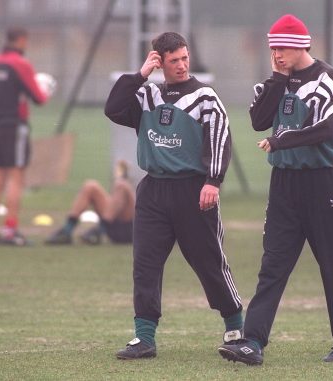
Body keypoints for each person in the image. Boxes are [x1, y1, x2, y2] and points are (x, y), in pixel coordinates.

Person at [218, 14, 333, 366]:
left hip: (321, 182)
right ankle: (253, 342)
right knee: (273, 265)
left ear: (300, 45)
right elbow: (258, 120)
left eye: (282, 47)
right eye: (273, 48)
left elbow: (326, 129)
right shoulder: (275, 80)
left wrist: (283, 140)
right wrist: (278, 79)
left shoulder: (326, 78)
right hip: (284, 185)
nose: (276, 54)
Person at [104, 32, 243, 360]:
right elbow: (113, 108)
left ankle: (235, 327)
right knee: (145, 264)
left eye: (184, 58)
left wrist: (213, 181)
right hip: (153, 191)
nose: (181, 65)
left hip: (194, 190)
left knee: (209, 262)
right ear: (159, 61)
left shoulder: (205, 96)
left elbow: (220, 138)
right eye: (173, 60)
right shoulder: (146, 95)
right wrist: (140, 75)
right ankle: (144, 338)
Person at [0, 27, 49, 246]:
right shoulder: (20, 64)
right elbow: (38, 97)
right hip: (15, 126)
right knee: (16, 177)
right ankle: (11, 231)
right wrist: (46, 90)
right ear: (21, 40)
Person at [45, 161, 135, 245]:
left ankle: (100, 230)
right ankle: (67, 230)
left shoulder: (125, 186)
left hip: (129, 230)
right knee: (90, 186)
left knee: (122, 186)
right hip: (113, 227)